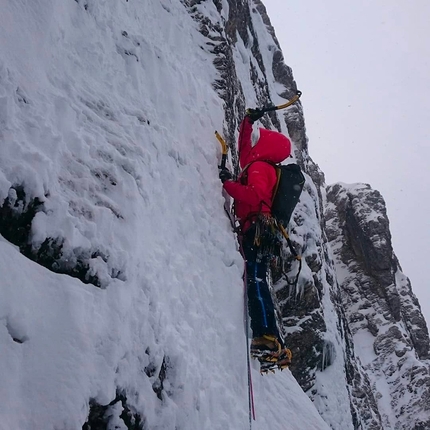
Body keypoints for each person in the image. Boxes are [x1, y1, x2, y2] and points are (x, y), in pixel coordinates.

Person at [219, 110, 292, 369]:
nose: (254, 142)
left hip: (257, 230)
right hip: (259, 231)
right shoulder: (256, 163)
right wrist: (247, 122)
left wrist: (228, 184)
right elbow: (243, 148)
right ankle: (273, 341)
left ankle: (267, 337)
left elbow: (255, 197)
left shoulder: (261, 168)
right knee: (258, 278)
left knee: (256, 279)